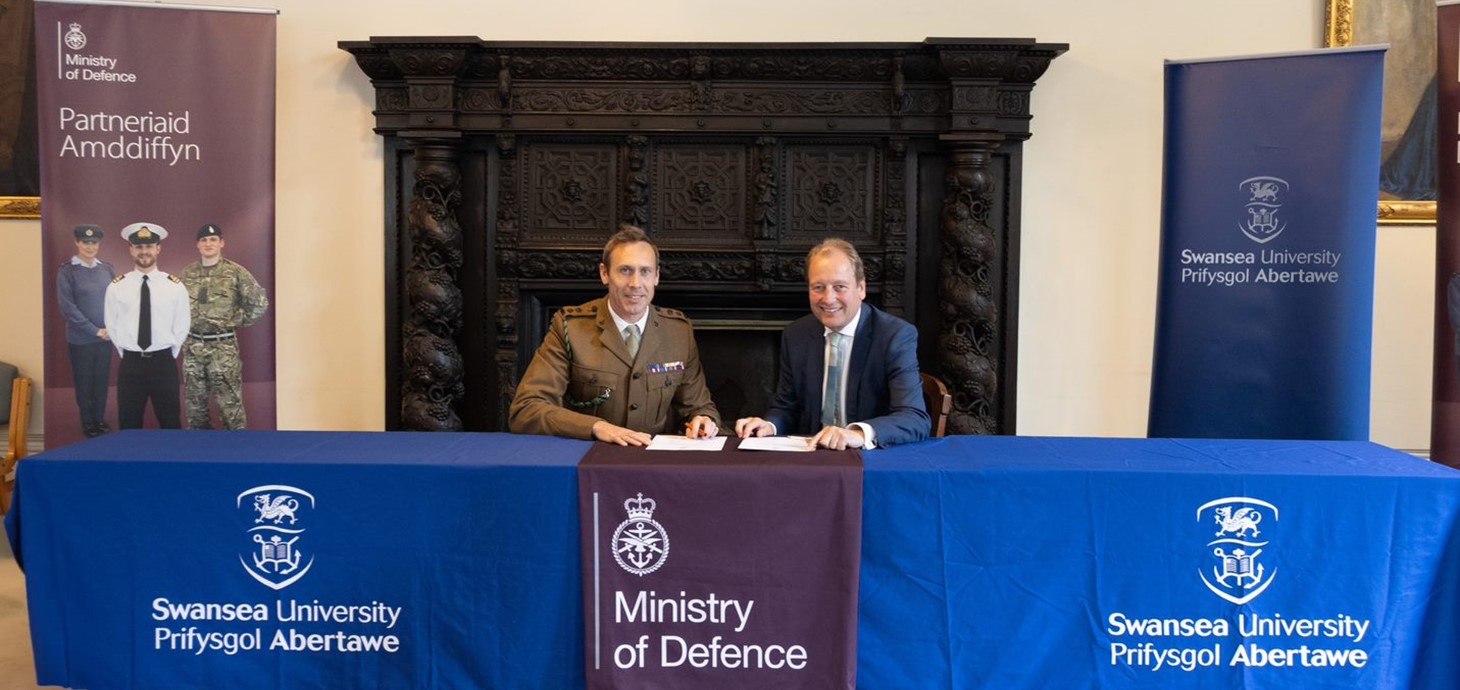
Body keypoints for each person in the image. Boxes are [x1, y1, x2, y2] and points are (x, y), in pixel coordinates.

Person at [509, 225, 720, 446]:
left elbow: (699, 407)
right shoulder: (570, 327)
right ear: (604, 274)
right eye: (625, 270)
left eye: (645, 271)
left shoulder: (678, 331)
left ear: (657, 276)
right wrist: (596, 427)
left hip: (656, 463)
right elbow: (526, 410)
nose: (636, 284)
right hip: (589, 459)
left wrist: (704, 420)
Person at [736, 238, 929, 449]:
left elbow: (914, 418)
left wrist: (858, 433)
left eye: (840, 287)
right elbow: (786, 407)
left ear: (861, 288)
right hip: (812, 456)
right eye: (818, 287)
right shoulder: (796, 335)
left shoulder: (894, 336)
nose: (828, 299)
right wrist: (769, 425)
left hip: (870, 461)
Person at [181, 223, 270, 430]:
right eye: (204, 240)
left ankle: (237, 455)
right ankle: (200, 455)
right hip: (193, 347)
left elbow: (260, 303)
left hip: (223, 349)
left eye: (213, 240)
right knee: (195, 410)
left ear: (221, 243)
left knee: (230, 409)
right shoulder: (187, 273)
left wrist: (235, 321)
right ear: (198, 245)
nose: (208, 244)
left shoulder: (235, 272)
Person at [103, 222, 190, 430]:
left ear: (158, 248)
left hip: (163, 363)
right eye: (139, 247)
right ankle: (130, 463)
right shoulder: (117, 287)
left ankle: (172, 463)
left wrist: (168, 352)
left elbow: (182, 325)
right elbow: (112, 325)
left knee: (170, 421)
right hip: (131, 365)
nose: (144, 252)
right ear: (131, 249)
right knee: (128, 423)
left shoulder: (174, 286)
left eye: (149, 246)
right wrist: (128, 351)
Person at [56, 224, 115, 437]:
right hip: (81, 339)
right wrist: (94, 330)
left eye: (94, 243)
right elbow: (68, 308)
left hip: (106, 337)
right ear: (77, 243)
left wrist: (111, 329)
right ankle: (87, 422)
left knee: (101, 381)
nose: (90, 247)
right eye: (85, 242)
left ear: (98, 244)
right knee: (84, 382)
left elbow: (115, 301)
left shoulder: (106, 269)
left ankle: (99, 419)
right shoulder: (67, 271)